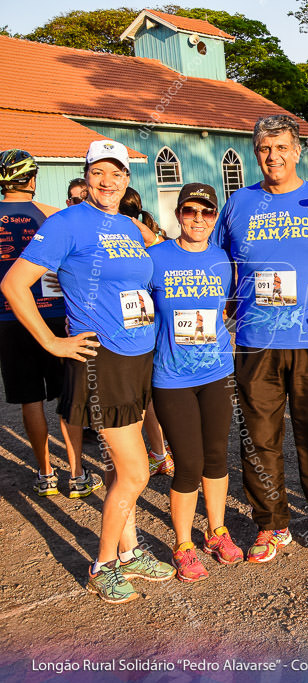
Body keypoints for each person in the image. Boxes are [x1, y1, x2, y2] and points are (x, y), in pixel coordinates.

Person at [2, 139, 175, 603]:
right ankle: (102, 566)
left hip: (139, 355)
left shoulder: (129, 225)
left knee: (125, 464)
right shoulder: (65, 223)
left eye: (116, 173)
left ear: (126, 179)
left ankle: (131, 551)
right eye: (98, 172)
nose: (107, 181)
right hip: (102, 360)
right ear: (87, 173)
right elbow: (14, 283)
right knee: (137, 470)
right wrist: (50, 340)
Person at [214, 114, 308, 563]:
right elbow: (214, 265)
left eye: (282, 148)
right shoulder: (237, 205)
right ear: (255, 153)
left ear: (298, 150)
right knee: (258, 435)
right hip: (255, 340)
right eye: (265, 149)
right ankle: (271, 524)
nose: (273, 157)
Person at [149, 183, 242, 582]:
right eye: (190, 211)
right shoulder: (154, 258)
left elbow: (229, 307)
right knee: (188, 463)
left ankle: (216, 530)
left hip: (217, 372)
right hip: (172, 377)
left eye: (207, 213)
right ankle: (183, 544)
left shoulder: (223, 259)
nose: (198, 220)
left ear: (214, 217)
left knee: (217, 456)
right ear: (178, 214)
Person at [0, 149, 101, 499]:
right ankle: (76, 473)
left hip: (10, 318)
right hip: (55, 315)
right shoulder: (52, 216)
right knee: (66, 396)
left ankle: (45, 474)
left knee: (30, 399)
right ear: (32, 179)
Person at [119, 188, 174, 477]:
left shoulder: (132, 236)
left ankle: (145, 457)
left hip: (139, 326)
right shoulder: (151, 235)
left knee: (139, 395)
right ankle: (159, 452)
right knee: (147, 394)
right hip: (145, 323)